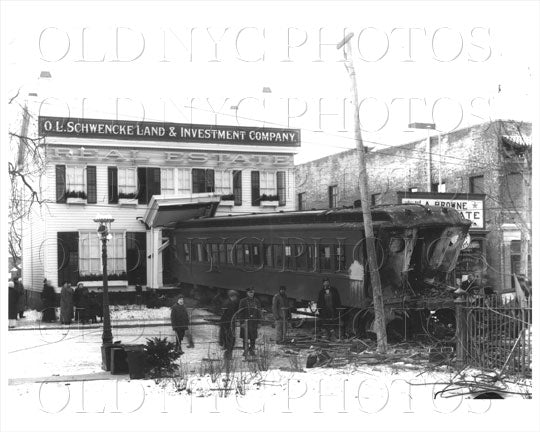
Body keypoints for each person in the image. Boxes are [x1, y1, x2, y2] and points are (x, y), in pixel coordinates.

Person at [238, 286, 262, 356]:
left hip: (254, 322)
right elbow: (240, 312)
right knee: (245, 337)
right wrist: (241, 322)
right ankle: (245, 350)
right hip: (246, 322)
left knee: (253, 337)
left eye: (252, 292)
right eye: (250, 292)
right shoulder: (243, 301)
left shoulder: (257, 301)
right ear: (247, 293)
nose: (251, 294)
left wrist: (259, 322)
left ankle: (252, 350)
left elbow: (259, 312)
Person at [219, 290, 240, 359]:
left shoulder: (230, 302)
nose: (236, 298)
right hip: (228, 322)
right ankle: (228, 352)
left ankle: (228, 349)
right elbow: (225, 314)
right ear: (232, 296)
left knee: (229, 336)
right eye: (235, 296)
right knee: (229, 336)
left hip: (229, 322)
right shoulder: (228, 303)